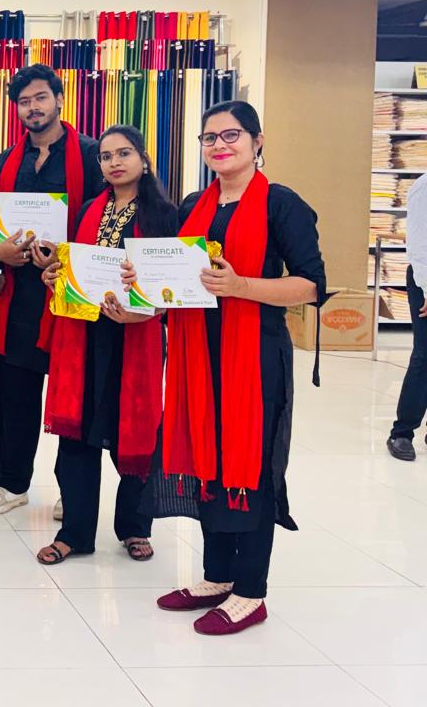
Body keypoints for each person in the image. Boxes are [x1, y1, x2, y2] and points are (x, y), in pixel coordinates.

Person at [153, 101, 324, 636]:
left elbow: (310, 286)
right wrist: (146, 281)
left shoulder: (281, 204)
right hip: (197, 355)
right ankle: (217, 576)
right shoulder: (194, 205)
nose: (219, 145)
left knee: (249, 468)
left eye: (231, 135)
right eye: (209, 138)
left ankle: (250, 591)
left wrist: (241, 286)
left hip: (254, 358)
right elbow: (179, 273)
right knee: (210, 461)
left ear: (256, 141)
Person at [34, 125, 176, 566]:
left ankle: (135, 526)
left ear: (144, 159)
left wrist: (147, 310)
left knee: (134, 430)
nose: (114, 162)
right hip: (85, 335)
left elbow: (173, 283)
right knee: (77, 432)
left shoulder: (164, 214)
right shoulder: (90, 210)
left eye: (124, 153)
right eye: (107, 156)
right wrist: (56, 278)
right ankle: (74, 533)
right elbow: (77, 268)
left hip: (136, 335)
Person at [0, 64, 103, 515]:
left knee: (74, 397)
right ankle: (13, 483)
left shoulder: (91, 154)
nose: (33, 108)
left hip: (72, 297)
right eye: (24, 102)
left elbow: (105, 218)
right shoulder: (8, 160)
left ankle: (73, 491)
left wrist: (64, 260)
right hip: (20, 298)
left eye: (40, 98)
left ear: (59, 100)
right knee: (16, 394)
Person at [388, 174, 427, 461]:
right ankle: (402, 432)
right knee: (424, 357)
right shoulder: (424, 186)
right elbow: (419, 245)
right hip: (425, 281)